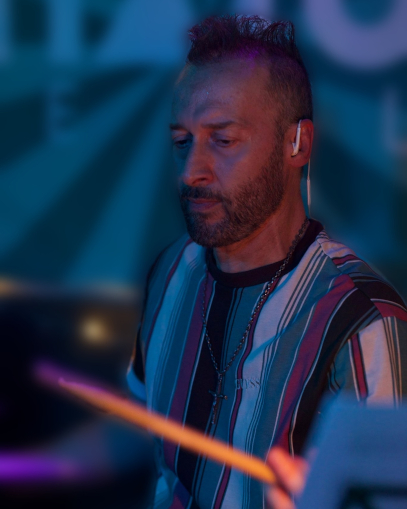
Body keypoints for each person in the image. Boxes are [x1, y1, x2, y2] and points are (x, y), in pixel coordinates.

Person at [127, 15, 407, 509]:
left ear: (298, 143)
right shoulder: (170, 271)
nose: (191, 171)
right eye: (181, 142)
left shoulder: (364, 319)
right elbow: (137, 427)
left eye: (223, 140)